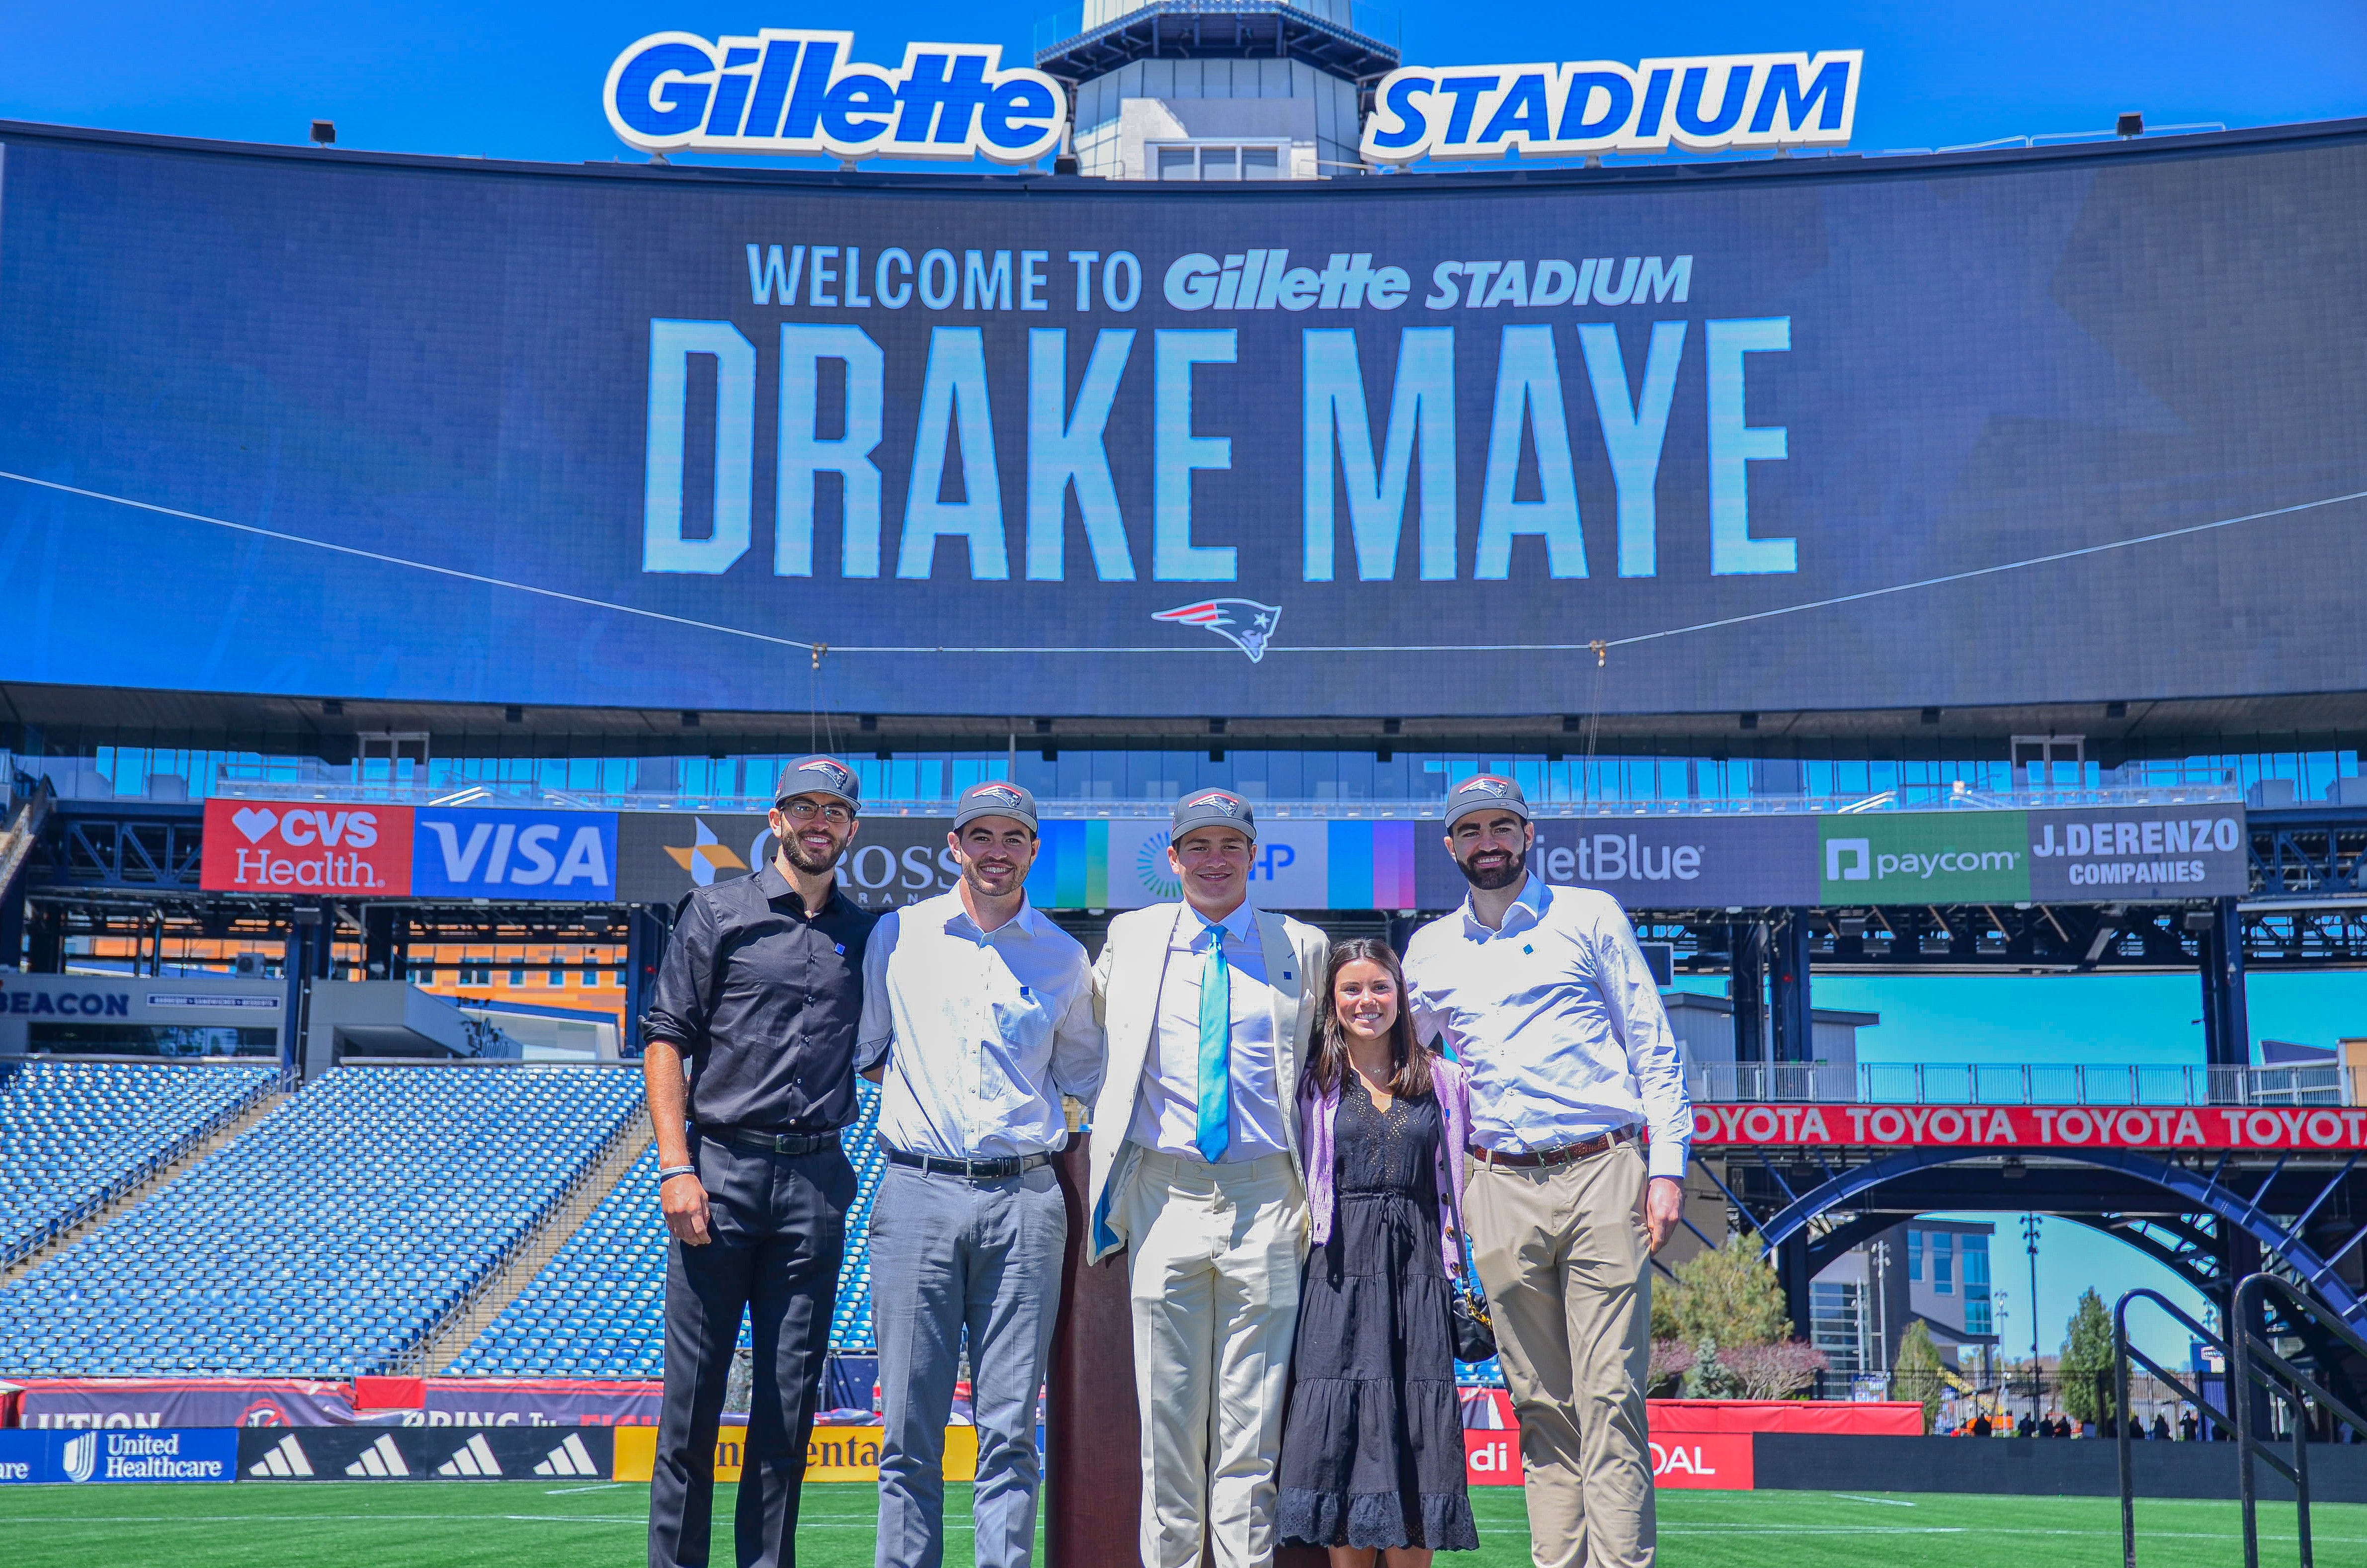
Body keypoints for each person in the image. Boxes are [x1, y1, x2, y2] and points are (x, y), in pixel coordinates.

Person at [1400, 775, 1690, 1568]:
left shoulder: (1588, 914)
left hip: (1603, 1173)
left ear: (1528, 835)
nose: (1487, 842)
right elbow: (1400, 1063)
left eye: (1501, 826)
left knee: (1610, 1398)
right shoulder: (1427, 949)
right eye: (1471, 830)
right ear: (1452, 845)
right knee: (1538, 1404)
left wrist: (1665, 1168)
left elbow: (1652, 1046)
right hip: (1493, 1185)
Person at [857, 780, 1104, 1568]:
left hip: (1027, 1199)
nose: (997, 851)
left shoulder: (1064, 956)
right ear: (955, 844)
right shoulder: (898, 935)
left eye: (1014, 838)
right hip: (917, 1191)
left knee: (1007, 1431)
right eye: (982, 836)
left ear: (1033, 850)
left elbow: (1082, 1077)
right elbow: (870, 1054)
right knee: (907, 1434)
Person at [1084, 788, 1331, 1568]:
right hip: (1165, 1193)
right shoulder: (1130, 936)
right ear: (1172, 858)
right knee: (1167, 1430)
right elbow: (1087, 1039)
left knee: (1251, 1434)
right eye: (1197, 846)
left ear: (1254, 856)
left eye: (1230, 845)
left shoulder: (1303, 944)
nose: (1213, 859)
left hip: (1268, 1197)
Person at [643, 756, 877, 1568]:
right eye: (804, 808)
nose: (820, 822)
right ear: (776, 819)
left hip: (815, 1184)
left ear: (851, 829)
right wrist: (677, 1169)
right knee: (691, 1413)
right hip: (720, 1176)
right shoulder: (716, 911)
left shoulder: (864, 931)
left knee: (786, 1414)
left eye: (835, 812)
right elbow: (666, 1036)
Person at [1279, 937, 1480, 1565]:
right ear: (1332, 1002)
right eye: (1351, 989)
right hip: (1337, 1273)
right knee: (1341, 1429)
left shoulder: (1445, 1081)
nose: (1366, 1001)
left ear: (1401, 995)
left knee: (1415, 1431)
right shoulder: (1311, 1082)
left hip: (1418, 1272)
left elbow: (1465, 1173)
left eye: (1379, 987)